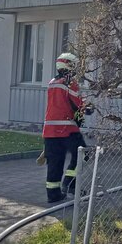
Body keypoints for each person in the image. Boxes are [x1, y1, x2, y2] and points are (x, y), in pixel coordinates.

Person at [41, 52, 89, 203]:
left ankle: (53, 195)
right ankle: (68, 183)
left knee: (55, 163)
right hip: (67, 129)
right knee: (83, 155)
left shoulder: (52, 82)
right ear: (70, 66)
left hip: (49, 131)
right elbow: (77, 104)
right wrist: (88, 107)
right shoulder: (69, 82)